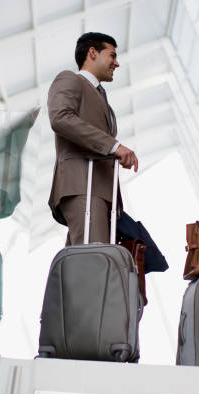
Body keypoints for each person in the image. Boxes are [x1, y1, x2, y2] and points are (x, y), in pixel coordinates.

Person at [47, 32, 138, 245]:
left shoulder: (105, 101)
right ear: (92, 53)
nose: (117, 63)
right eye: (112, 56)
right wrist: (113, 146)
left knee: (89, 262)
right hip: (82, 185)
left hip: (101, 192)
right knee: (92, 260)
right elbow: (60, 118)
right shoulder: (70, 79)